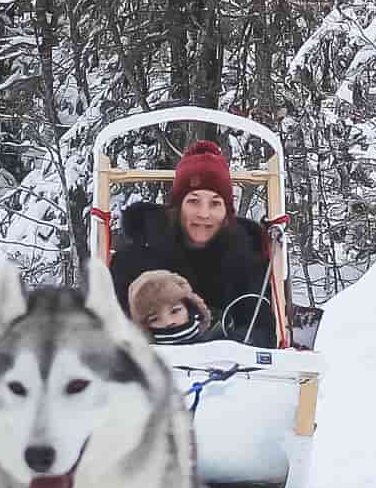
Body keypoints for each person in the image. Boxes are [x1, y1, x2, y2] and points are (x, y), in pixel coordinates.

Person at [106, 138, 281, 344]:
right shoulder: (139, 254)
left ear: (226, 212)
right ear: (177, 207)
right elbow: (113, 330)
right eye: (193, 201)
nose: (204, 213)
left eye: (215, 203)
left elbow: (261, 330)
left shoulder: (244, 256)